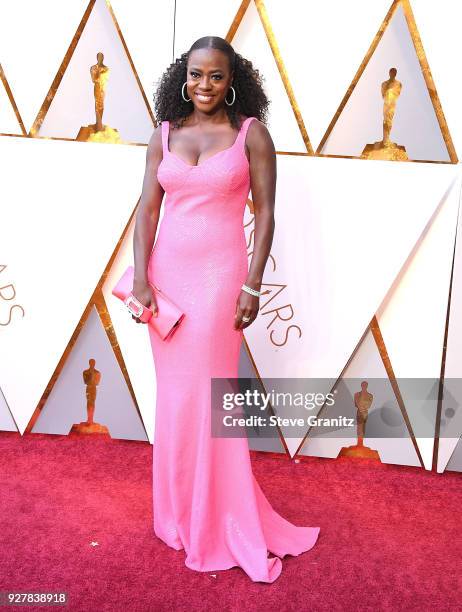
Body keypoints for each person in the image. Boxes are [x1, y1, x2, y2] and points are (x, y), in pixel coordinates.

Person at [131, 35, 319, 583]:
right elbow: (146, 209)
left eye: (215, 75)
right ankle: (177, 513)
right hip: (165, 280)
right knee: (175, 397)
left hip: (219, 282)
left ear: (231, 78)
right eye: (195, 75)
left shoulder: (250, 135)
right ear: (182, 77)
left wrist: (253, 285)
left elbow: (266, 215)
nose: (203, 85)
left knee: (211, 396)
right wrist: (141, 277)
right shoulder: (162, 135)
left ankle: (219, 516)